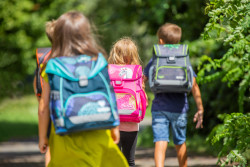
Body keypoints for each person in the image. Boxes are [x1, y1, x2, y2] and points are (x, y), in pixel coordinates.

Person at [38, 11, 128, 167]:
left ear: (58, 36)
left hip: (65, 137)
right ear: (87, 35)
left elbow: (43, 107)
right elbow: (109, 96)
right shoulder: (98, 62)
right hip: (99, 133)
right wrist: (114, 128)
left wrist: (42, 137)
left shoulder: (53, 66)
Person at [144, 23, 204, 167]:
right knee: (180, 141)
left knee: (160, 141)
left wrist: (143, 96)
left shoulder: (156, 59)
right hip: (180, 109)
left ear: (160, 41)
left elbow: (142, 79)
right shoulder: (183, 59)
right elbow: (194, 86)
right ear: (178, 41)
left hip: (159, 108)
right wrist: (200, 109)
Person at [108, 37, 147, 167]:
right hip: (131, 125)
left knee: (113, 161)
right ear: (133, 55)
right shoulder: (136, 72)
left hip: (113, 125)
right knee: (129, 161)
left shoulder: (108, 71)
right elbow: (143, 100)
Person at [33, 20, 56, 167]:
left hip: (54, 114)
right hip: (79, 116)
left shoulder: (48, 62)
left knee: (51, 151)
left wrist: (42, 137)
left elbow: (42, 102)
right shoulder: (85, 58)